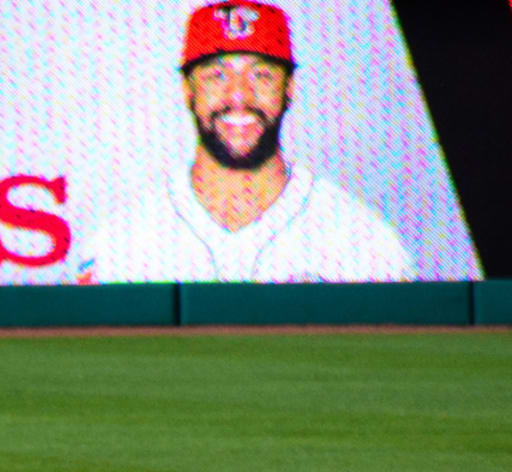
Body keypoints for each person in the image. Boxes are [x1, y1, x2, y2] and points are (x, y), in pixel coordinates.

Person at [76, 1, 413, 284]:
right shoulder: (123, 242)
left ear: (290, 88)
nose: (238, 95)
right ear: (187, 90)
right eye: (216, 75)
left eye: (261, 75)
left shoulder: (363, 242)